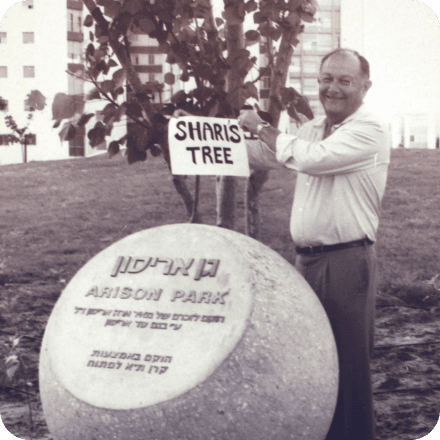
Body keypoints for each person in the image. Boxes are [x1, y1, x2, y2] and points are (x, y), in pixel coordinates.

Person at [238, 48, 391, 440]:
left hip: (346, 261)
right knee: (313, 358)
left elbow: (311, 159)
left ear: (365, 86)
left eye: (344, 80)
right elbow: (264, 154)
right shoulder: (312, 129)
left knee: (348, 367)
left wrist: (262, 127)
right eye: (326, 79)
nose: (332, 88)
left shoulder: (369, 129)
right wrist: (195, 132)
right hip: (306, 263)